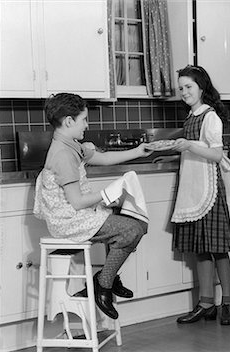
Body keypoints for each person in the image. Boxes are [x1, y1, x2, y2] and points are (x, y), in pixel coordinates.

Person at [33, 93, 153, 320]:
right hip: (68, 221)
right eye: (84, 120)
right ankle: (103, 284)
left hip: (75, 215)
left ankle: (108, 277)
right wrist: (108, 193)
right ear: (69, 121)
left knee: (132, 218)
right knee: (132, 229)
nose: (87, 125)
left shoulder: (70, 145)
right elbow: (77, 202)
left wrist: (138, 151)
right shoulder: (63, 155)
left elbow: (103, 158)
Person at [170, 65, 230, 325]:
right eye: (181, 88)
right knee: (200, 248)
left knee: (218, 249)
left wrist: (189, 146)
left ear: (201, 87)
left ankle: (228, 302)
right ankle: (205, 303)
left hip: (210, 189)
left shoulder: (210, 117)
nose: (184, 92)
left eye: (189, 87)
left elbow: (217, 154)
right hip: (193, 187)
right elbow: (194, 149)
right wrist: (174, 151)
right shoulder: (191, 115)